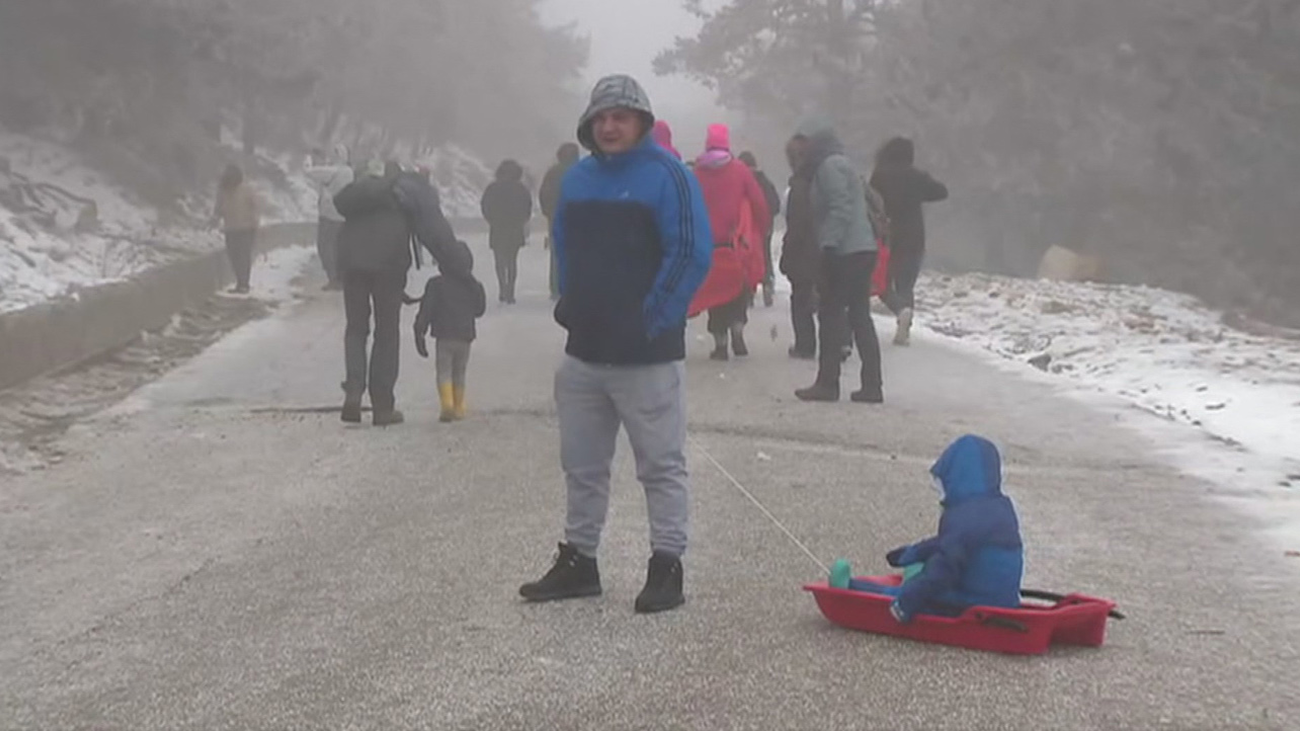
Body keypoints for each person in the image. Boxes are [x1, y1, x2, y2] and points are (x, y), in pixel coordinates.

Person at [519, 74, 712, 614]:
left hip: (647, 353)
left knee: (660, 464)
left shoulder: (668, 177)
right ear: (588, 125)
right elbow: (563, 244)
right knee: (581, 462)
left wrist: (651, 319)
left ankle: (666, 564)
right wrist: (570, 300)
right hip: (584, 352)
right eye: (601, 117)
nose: (609, 126)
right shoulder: (578, 181)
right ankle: (580, 560)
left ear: (641, 123)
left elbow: (691, 253)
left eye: (620, 117)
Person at [846, 435, 1024, 623]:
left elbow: (945, 568)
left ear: (958, 478)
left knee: (912, 591)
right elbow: (951, 543)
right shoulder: (999, 507)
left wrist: (907, 602)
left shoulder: (964, 516)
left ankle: (850, 587)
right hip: (1003, 599)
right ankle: (869, 586)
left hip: (973, 600)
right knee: (926, 573)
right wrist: (913, 552)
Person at [334, 160, 457, 426]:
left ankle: (354, 392)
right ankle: (382, 406)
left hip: (352, 263)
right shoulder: (407, 193)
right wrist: (454, 263)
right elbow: (432, 230)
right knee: (386, 332)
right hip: (388, 264)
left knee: (356, 328)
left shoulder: (359, 194)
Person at [793, 118, 884, 404]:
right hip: (863, 247)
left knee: (831, 315)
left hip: (846, 251)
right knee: (859, 316)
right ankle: (872, 385)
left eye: (805, 142)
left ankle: (827, 383)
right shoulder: (842, 163)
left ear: (816, 141)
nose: (801, 148)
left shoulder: (829, 166)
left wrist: (828, 246)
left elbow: (840, 208)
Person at [691, 124, 771, 361]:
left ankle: (720, 344)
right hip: (735, 243)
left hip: (707, 244)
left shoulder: (697, 172)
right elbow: (758, 202)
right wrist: (762, 227)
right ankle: (737, 328)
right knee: (738, 289)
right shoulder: (739, 170)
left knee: (715, 292)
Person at [870, 136, 948, 346]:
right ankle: (904, 327)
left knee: (882, 283)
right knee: (906, 285)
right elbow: (942, 192)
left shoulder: (880, 175)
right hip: (914, 238)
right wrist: (919, 192)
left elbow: (871, 201)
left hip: (888, 237)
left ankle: (899, 309)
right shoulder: (917, 177)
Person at [413, 240, 486, 423]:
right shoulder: (473, 285)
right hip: (465, 337)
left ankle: (447, 404)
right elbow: (479, 310)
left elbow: (426, 310)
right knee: (459, 372)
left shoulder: (435, 285)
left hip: (444, 336)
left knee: (444, 371)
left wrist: (419, 330)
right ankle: (459, 406)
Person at [779, 137, 819, 360]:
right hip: (826, 247)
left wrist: (787, 255)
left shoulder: (799, 186)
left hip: (805, 252)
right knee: (827, 297)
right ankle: (842, 342)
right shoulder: (822, 179)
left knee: (801, 298)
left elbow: (796, 226)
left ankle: (805, 344)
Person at [480, 160, 533, 304]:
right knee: (512, 261)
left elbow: (485, 206)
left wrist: (492, 220)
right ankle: (511, 290)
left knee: (499, 260)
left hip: (498, 228)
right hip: (515, 228)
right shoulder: (521, 189)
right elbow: (528, 208)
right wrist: (521, 221)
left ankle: (502, 288)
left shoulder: (492, 188)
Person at [303, 144, 354, 290]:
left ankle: (334, 279)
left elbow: (308, 172)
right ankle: (342, 277)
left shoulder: (332, 171)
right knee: (339, 248)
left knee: (325, 247)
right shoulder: (349, 172)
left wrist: (308, 158)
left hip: (329, 214)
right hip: (344, 215)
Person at [739, 151, 782, 308]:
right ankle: (767, 283)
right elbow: (775, 203)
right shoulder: (765, 181)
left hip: (747, 227)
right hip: (765, 226)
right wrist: (769, 216)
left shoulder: (742, 182)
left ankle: (749, 291)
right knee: (765, 255)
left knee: (747, 258)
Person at [539, 143, 581, 301]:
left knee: (556, 254)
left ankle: (556, 288)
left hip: (556, 218)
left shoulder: (552, 173)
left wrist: (548, 213)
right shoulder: (582, 171)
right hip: (577, 218)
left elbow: (544, 194)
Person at [212, 164, 260, 295]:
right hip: (230, 228)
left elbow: (255, 206)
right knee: (233, 256)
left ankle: (244, 284)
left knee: (243, 256)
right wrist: (215, 218)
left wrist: (255, 223)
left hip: (246, 228)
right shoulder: (222, 190)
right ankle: (240, 282)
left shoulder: (247, 189)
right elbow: (218, 207)